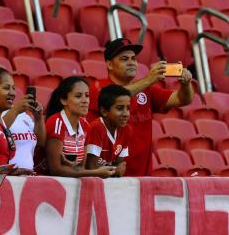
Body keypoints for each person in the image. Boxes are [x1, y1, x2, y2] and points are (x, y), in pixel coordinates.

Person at [87, 38, 194, 176]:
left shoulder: (146, 89)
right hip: (111, 175)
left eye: (134, 58)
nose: (131, 62)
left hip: (143, 176)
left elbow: (183, 99)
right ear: (109, 64)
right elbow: (115, 97)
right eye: (124, 59)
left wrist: (186, 84)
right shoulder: (98, 87)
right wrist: (149, 80)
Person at [36, 76, 116, 178]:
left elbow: (80, 169)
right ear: (64, 100)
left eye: (87, 96)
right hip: (43, 183)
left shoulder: (86, 125)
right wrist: (96, 173)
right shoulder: (56, 122)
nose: (85, 101)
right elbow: (56, 170)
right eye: (78, 96)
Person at [85, 84, 132, 177]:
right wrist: (114, 171)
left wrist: (115, 170)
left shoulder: (126, 130)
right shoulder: (97, 127)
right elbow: (91, 168)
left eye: (128, 108)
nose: (126, 114)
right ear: (104, 111)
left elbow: (120, 165)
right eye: (120, 108)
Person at [2, 92, 46, 171]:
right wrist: (15, 109)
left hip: (27, 176)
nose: (12, 93)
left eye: (13, 88)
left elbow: (41, 142)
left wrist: (38, 118)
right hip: (6, 177)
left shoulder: (24, 116)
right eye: (6, 88)